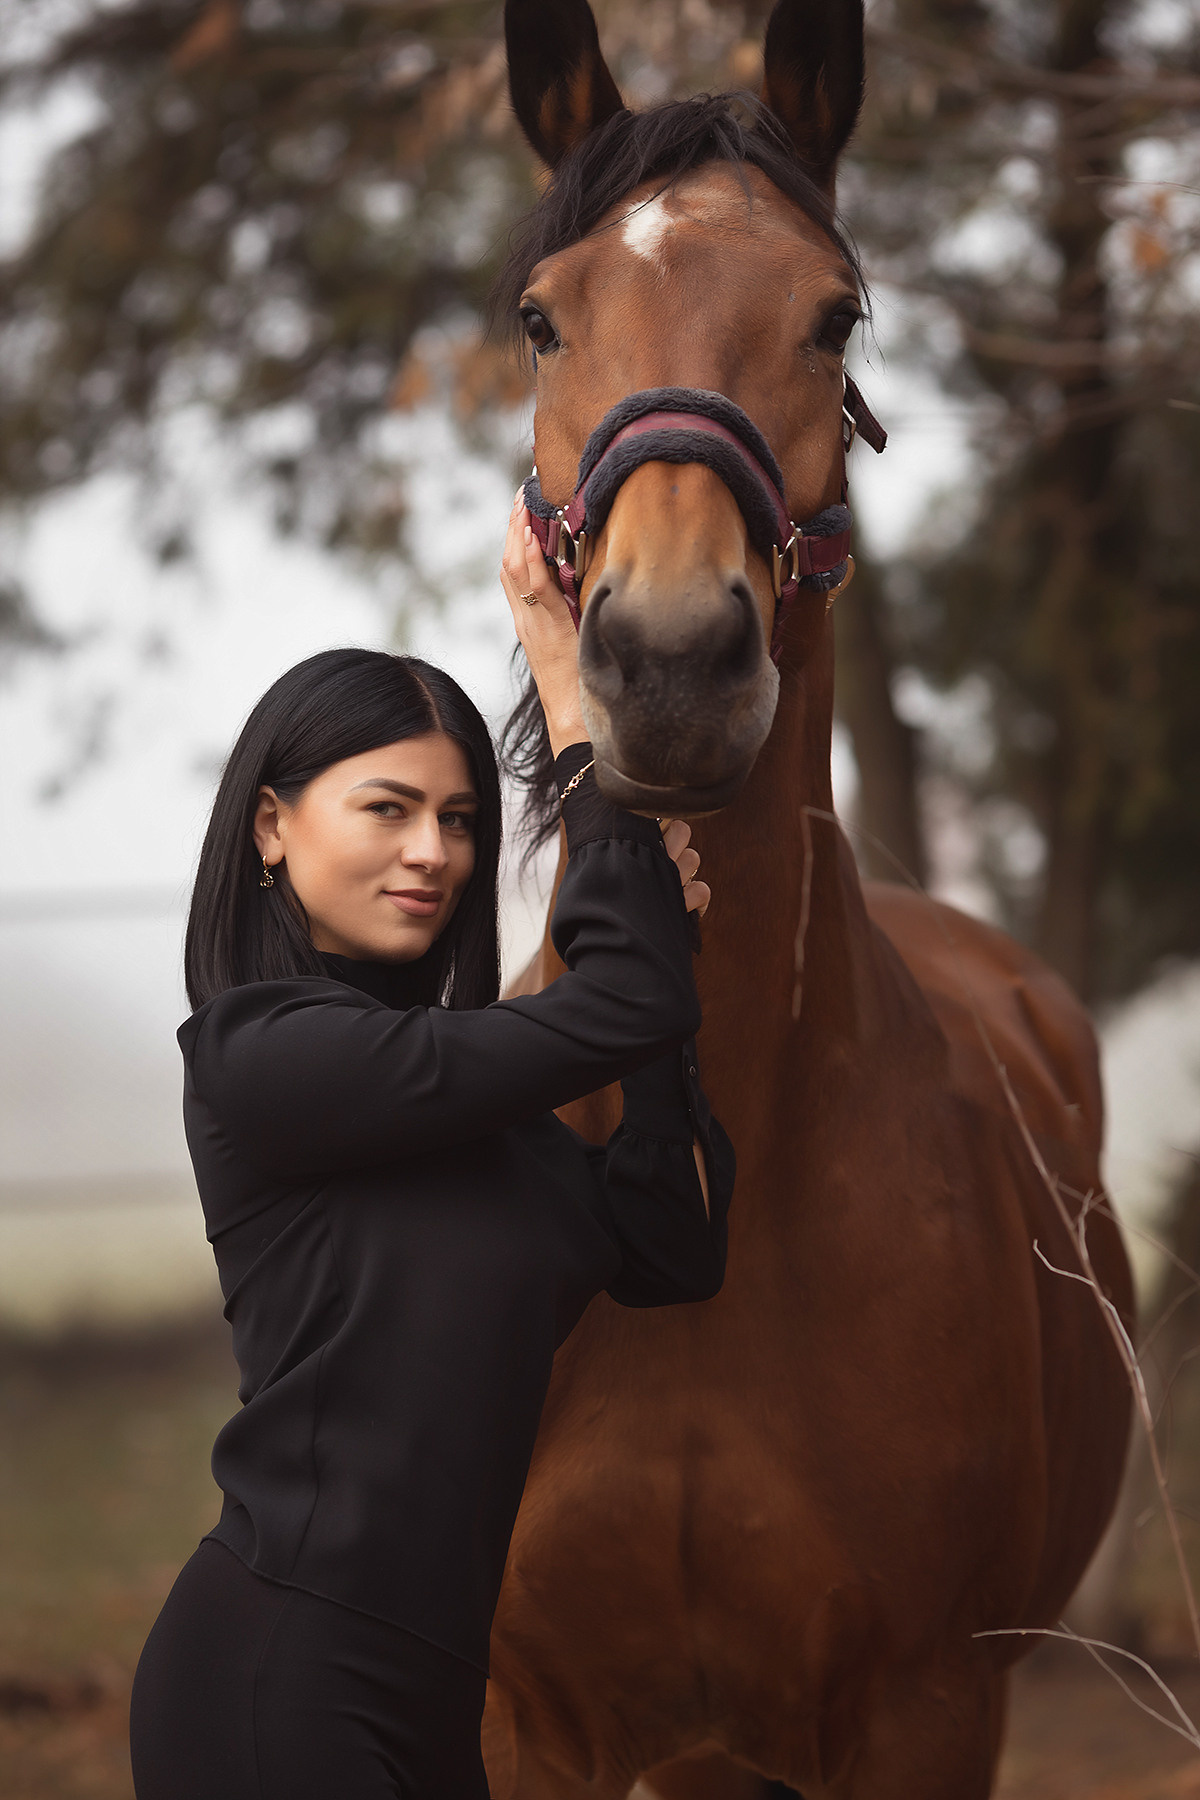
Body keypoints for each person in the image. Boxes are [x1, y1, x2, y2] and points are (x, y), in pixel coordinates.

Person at [128, 493, 735, 1799]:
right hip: (275, 1671)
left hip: (436, 1700)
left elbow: (673, 1243)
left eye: (461, 821)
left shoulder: (479, 1109)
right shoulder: (263, 1059)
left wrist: (661, 982)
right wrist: (578, 708)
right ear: (274, 826)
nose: (434, 854)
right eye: (389, 808)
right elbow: (616, 1003)